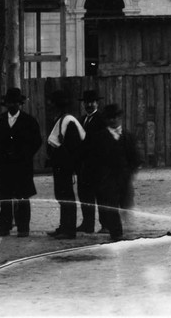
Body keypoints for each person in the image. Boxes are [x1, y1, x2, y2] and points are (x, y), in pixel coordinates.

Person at [0, 87, 42, 238]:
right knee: (5, 197)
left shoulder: (29, 121)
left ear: (20, 104)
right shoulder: (0, 120)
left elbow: (37, 141)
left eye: (15, 103)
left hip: (22, 166)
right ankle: (4, 228)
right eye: (9, 103)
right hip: (4, 166)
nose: (12, 106)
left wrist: (24, 155)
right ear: (5, 104)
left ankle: (23, 228)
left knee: (22, 197)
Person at [85, 103, 131, 241]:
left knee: (123, 203)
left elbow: (133, 157)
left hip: (122, 177)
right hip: (107, 177)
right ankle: (116, 233)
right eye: (109, 118)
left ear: (119, 118)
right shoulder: (100, 137)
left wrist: (128, 171)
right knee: (110, 204)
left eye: (115, 117)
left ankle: (117, 229)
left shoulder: (127, 136)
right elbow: (94, 157)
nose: (112, 120)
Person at [46, 89, 86, 238]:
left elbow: (73, 147)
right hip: (59, 165)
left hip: (66, 165)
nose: (50, 107)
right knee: (61, 196)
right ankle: (64, 226)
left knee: (67, 196)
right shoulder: (59, 120)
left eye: (52, 104)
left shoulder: (68, 121)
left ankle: (69, 230)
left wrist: (71, 167)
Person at [77, 89, 105, 233]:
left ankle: (105, 225)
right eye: (86, 102)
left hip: (97, 165)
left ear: (97, 103)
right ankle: (88, 224)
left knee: (100, 195)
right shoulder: (81, 120)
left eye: (92, 102)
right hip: (84, 165)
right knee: (85, 195)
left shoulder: (102, 120)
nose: (89, 105)